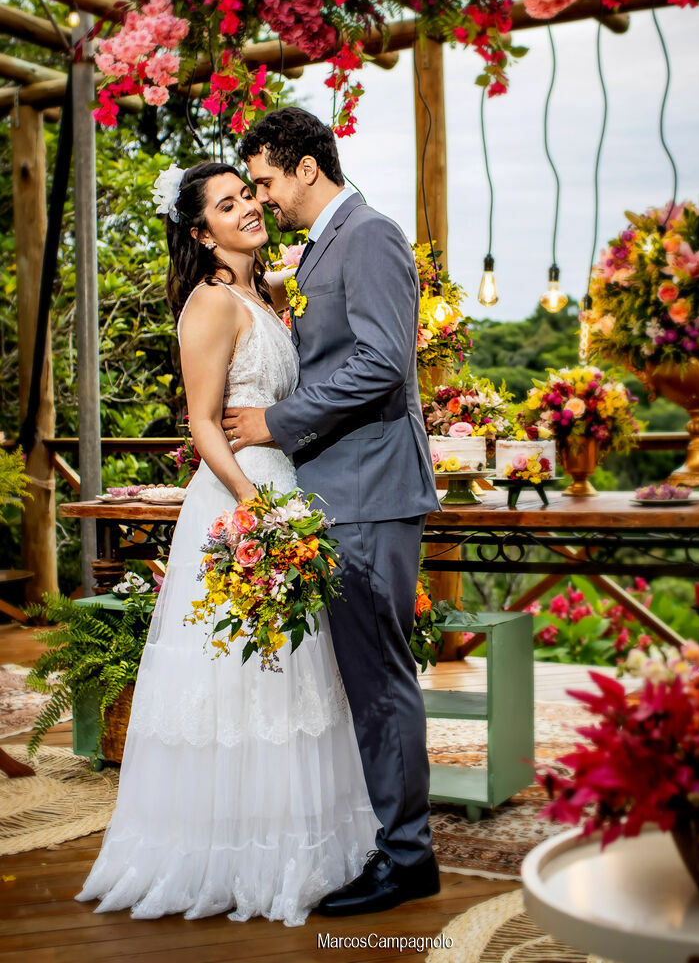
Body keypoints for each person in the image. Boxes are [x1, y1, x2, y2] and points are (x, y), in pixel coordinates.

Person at [76, 161, 378, 926]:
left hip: (287, 491)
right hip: (240, 502)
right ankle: (224, 852)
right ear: (198, 228)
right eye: (226, 203)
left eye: (248, 196)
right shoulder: (208, 305)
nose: (247, 208)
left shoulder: (266, 293)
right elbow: (203, 422)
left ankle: (300, 846)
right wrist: (254, 509)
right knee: (235, 676)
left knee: (293, 678)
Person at [224, 107, 441, 917]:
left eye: (268, 180)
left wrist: (275, 423)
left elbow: (385, 362)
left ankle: (406, 858)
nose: (264, 197)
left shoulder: (371, 235)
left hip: (371, 492)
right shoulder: (323, 248)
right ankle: (384, 837)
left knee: (378, 678)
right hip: (339, 489)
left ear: (305, 168)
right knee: (358, 676)